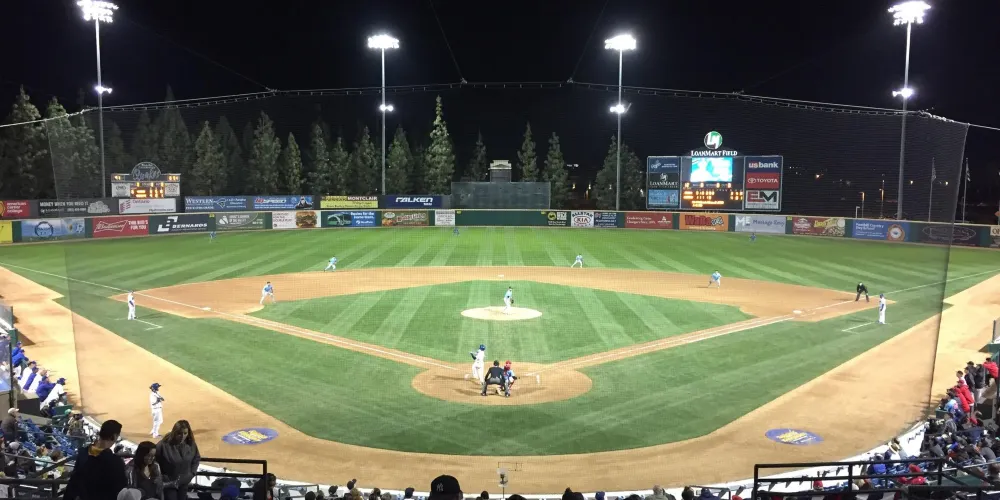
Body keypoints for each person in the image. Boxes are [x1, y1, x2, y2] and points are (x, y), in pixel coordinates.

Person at [62, 419, 127, 500]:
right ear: (113, 436)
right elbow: (121, 488)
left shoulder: (83, 453)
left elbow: (73, 482)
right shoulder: (115, 462)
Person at [156, 420, 200, 500]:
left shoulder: (191, 444)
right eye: (179, 433)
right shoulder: (163, 445)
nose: (182, 436)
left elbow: (196, 458)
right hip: (169, 484)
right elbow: (154, 462)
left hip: (184, 483)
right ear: (174, 432)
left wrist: (192, 473)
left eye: (185, 433)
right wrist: (163, 478)